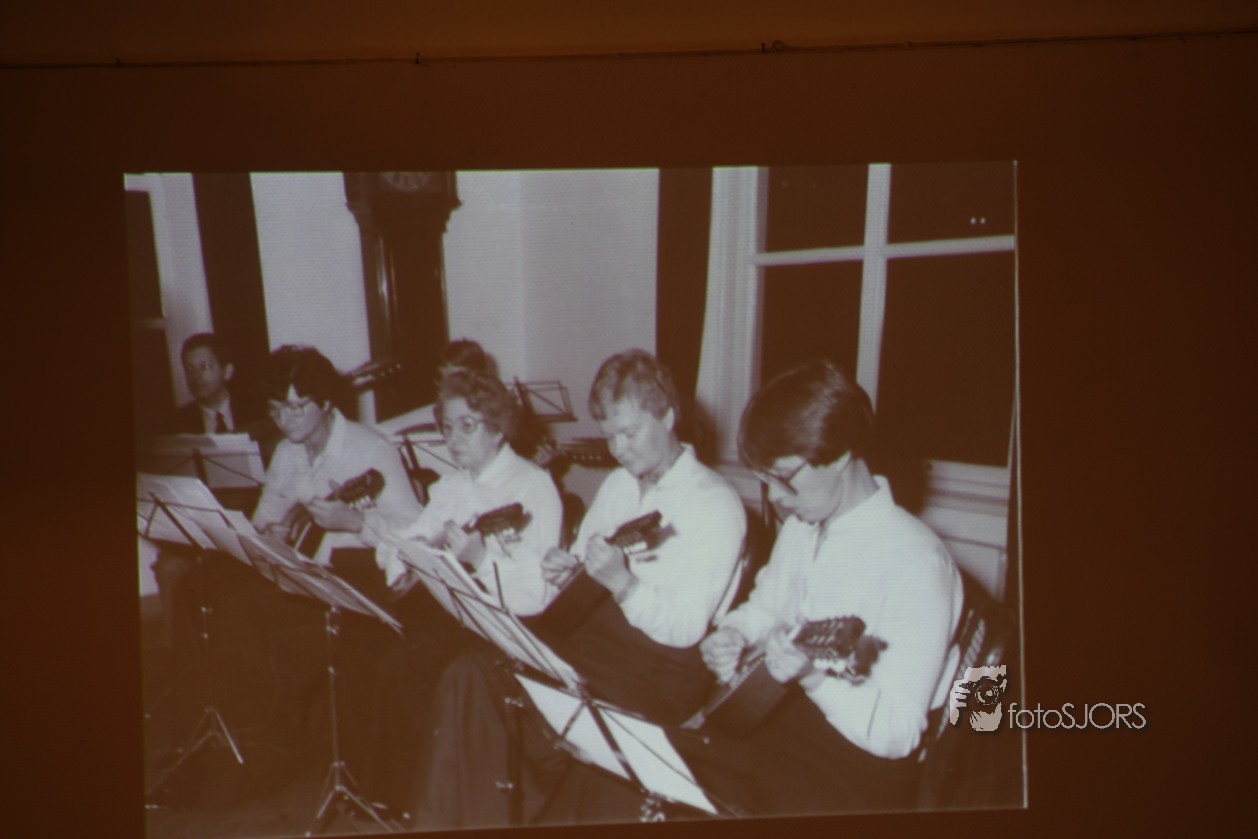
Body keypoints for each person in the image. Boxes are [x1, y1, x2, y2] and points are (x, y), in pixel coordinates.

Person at [409, 349, 747, 831]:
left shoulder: (714, 503)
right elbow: (580, 577)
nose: (619, 449)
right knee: (472, 670)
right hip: (592, 642)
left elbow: (685, 628)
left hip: (659, 668)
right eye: (609, 436)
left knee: (493, 686)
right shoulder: (619, 485)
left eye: (629, 433)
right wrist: (565, 571)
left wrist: (623, 584)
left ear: (669, 416)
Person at [672, 359, 964, 817]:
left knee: (687, 796)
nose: (774, 498)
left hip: (856, 764)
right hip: (782, 718)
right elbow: (767, 607)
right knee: (663, 765)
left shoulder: (917, 563)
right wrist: (735, 633)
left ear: (841, 456)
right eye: (764, 481)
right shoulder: (803, 526)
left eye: (784, 478)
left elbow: (898, 732)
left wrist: (814, 678)